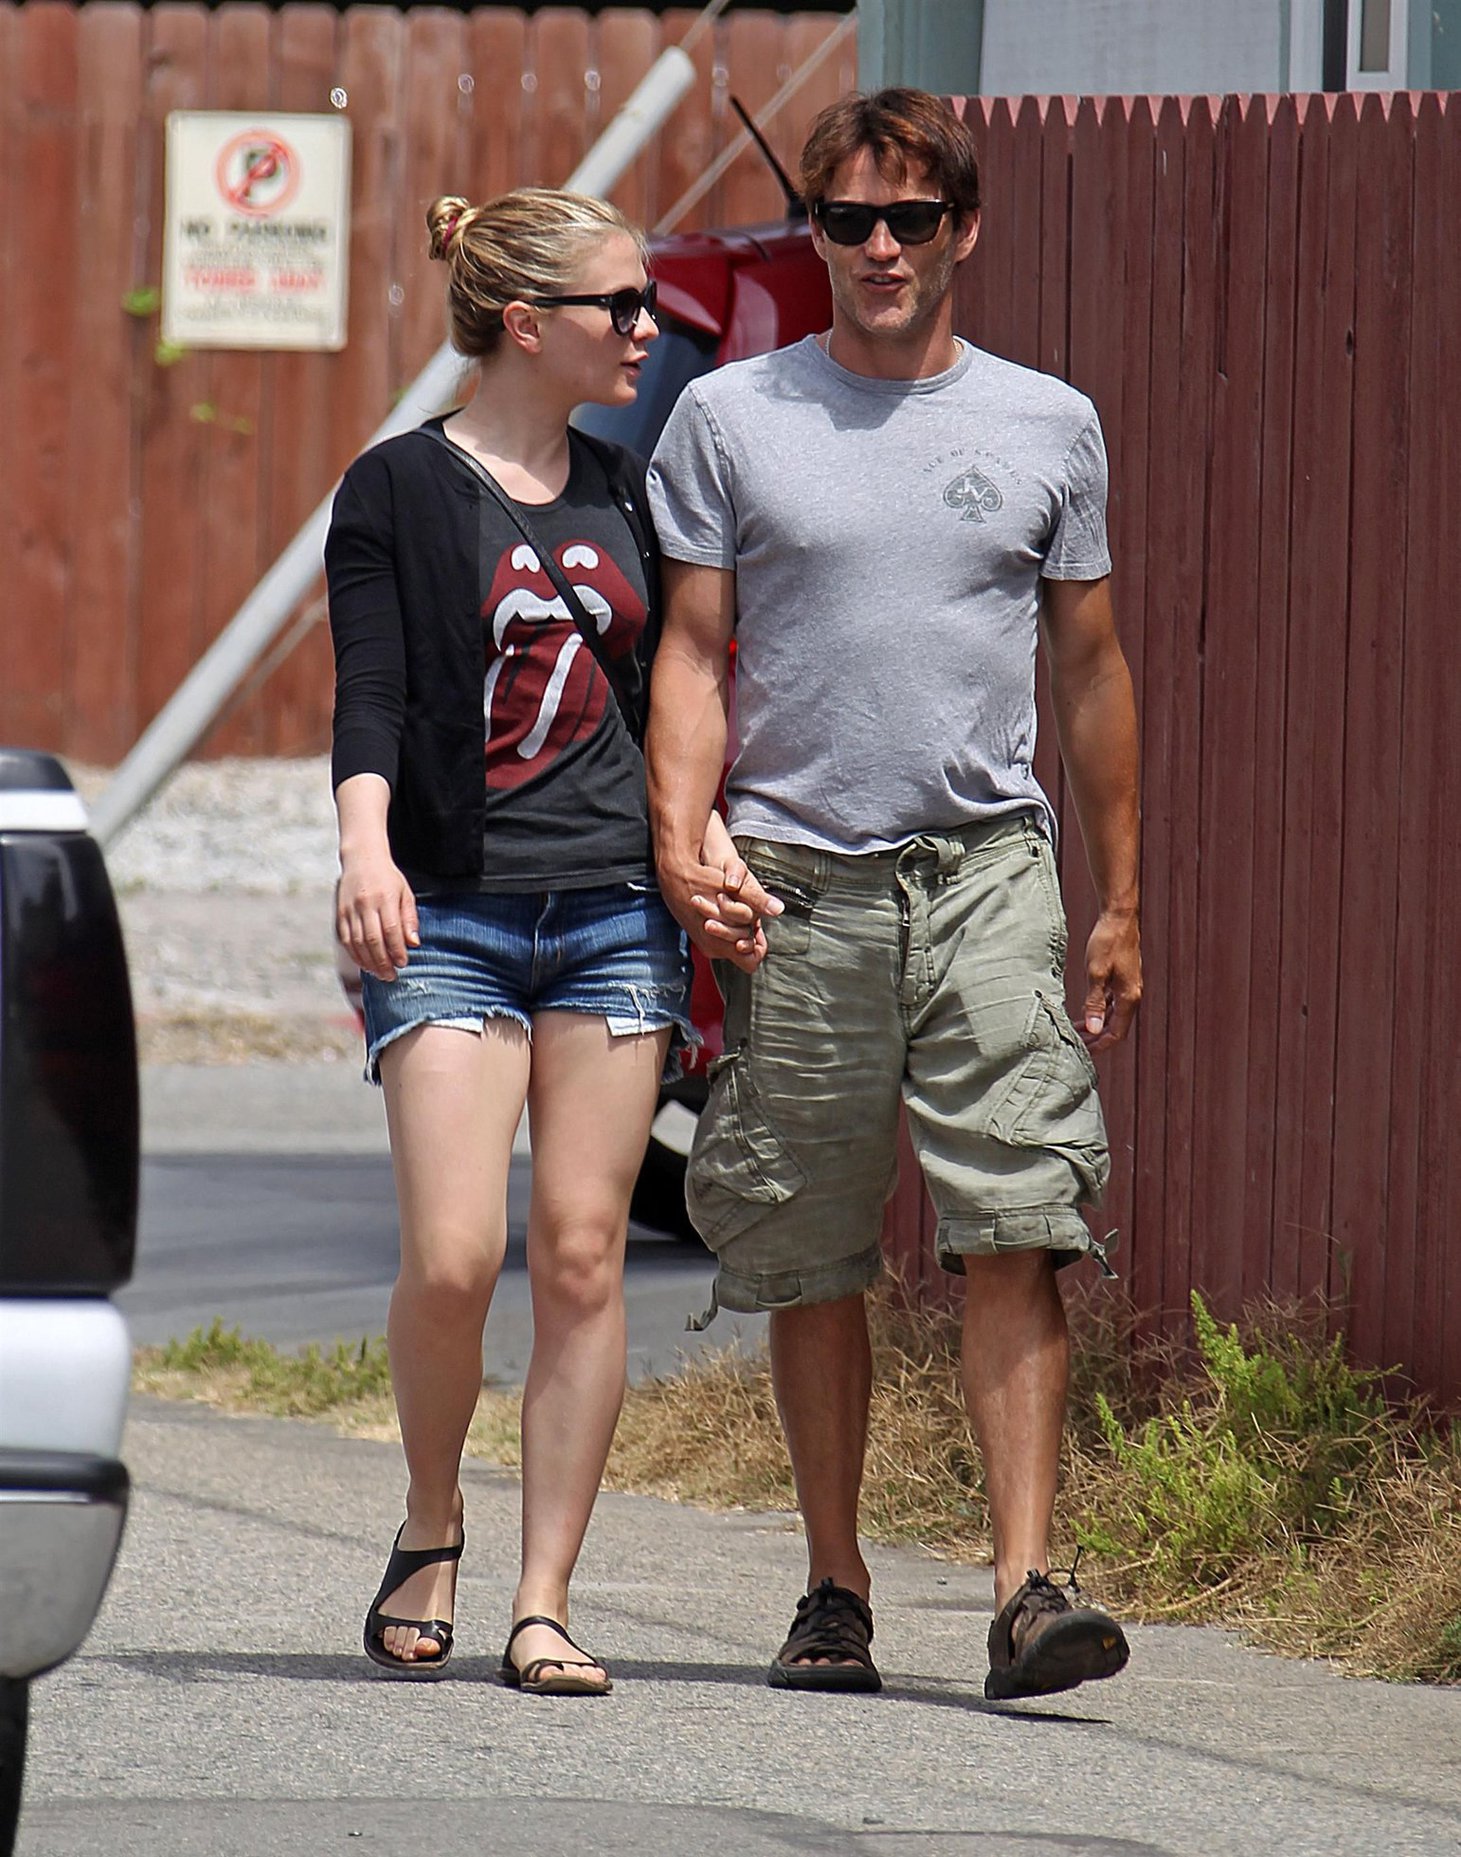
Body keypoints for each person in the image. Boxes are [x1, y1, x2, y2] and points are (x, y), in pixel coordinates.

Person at [645, 88, 1141, 1702]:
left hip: (988, 863)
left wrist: (1122, 890)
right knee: (810, 1238)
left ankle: (1024, 1588)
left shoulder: (1044, 423)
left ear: (961, 233)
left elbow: (1089, 665)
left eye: (907, 221)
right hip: (794, 878)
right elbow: (696, 651)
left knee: (1018, 1218)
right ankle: (833, 1587)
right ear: (817, 234)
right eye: (847, 220)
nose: (876, 248)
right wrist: (683, 837)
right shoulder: (730, 416)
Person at [326, 186, 695, 1694]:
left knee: (587, 1254)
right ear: (527, 323)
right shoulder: (398, 488)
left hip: (611, 910)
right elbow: (373, 691)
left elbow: (677, 693)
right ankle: (431, 1515)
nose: (645, 329)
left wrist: (701, 843)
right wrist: (362, 848)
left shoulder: (631, 489)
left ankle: (544, 1598)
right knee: (458, 1251)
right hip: (452, 914)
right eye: (621, 306)